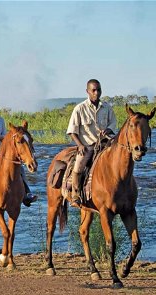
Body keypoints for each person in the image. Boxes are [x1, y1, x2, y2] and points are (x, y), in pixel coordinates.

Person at [66, 79, 117, 207]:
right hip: (87, 146)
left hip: (105, 144)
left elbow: (113, 123)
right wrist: (80, 145)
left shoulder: (107, 108)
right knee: (78, 166)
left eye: (98, 90)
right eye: (93, 90)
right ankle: (76, 195)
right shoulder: (80, 108)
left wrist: (109, 129)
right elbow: (72, 131)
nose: (96, 93)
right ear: (87, 91)